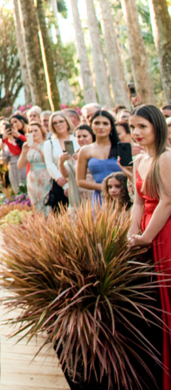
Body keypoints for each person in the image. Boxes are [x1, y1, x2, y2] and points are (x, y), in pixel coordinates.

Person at [128, 105, 171, 390]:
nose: (136, 132)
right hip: (146, 229)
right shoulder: (139, 159)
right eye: (133, 127)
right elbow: (139, 201)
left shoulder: (166, 158)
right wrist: (133, 231)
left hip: (164, 233)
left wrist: (146, 237)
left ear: (157, 126)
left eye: (143, 126)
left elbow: (167, 202)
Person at [79, 110, 121, 206]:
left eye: (105, 123)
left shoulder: (120, 148)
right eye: (97, 123)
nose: (101, 127)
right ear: (91, 126)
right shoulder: (85, 150)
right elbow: (80, 181)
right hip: (99, 197)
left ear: (111, 127)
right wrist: (105, 187)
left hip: (121, 196)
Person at [19, 122, 54, 214]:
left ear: (41, 131)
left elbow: (50, 162)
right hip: (32, 179)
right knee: (36, 205)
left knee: (46, 204)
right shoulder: (29, 147)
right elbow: (20, 166)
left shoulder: (47, 144)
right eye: (30, 131)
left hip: (45, 178)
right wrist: (23, 152)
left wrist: (39, 149)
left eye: (35, 130)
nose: (33, 133)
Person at [43, 111, 76, 206]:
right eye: (55, 123)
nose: (58, 124)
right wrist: (61, 180)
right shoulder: (49, 143)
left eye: (61, 121)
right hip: (59, 182)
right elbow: (49, 164)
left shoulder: (76, 138)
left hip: (76, 179)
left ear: (66, 122)